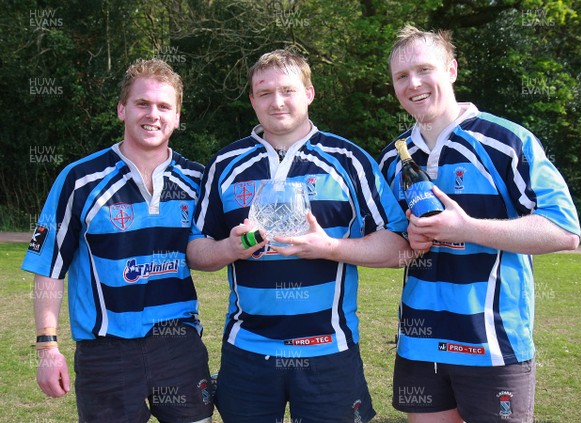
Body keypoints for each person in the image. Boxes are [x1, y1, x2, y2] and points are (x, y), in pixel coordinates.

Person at [186, 49, 412, 423]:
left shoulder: (349, 160)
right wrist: (231, 247)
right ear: (252, 100)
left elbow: (400, 247)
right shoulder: (225, 164)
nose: (277, 102)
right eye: (265, 92)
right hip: (248, 351)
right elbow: (195, 250)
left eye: (288, 90)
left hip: (328, 349)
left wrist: (331, 247)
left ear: (309, 93)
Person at [379, 25, 581, 423]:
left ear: (451, 69)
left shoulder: (506, 141)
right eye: (401, 76)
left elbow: (564, 230)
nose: (413, 83)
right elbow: (395, 243)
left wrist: (468, 228)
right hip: (421, 343)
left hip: (492, 342)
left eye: (424, 69)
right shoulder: (393, 158)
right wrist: (410, 240)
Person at [22, 59, 214, 423]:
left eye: (164, 107)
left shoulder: (198, 180)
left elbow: (214, 250)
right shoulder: (78, 180)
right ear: (122, 109)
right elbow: (48, 267)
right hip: (106, 354)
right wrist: (47, 347)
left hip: (178, 346)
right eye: (142, 103)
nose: (152, 115)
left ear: (177, 117)